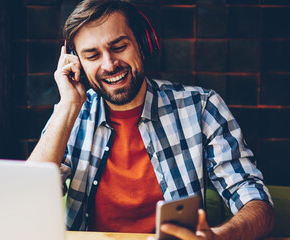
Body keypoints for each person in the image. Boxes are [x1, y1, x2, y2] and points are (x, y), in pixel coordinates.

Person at [27, 0, 274, 239]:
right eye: (92, 55)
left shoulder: (201, 107)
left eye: (119, 46)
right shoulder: (71, 114)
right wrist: (69, 105)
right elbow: (27, 198)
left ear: (142, 44)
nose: (110, 64)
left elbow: (256, 204)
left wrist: (216, 237)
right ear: (77, 63)